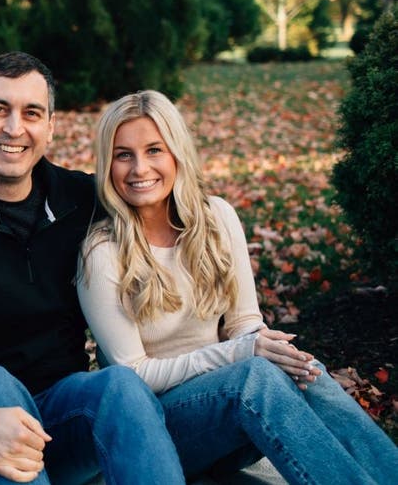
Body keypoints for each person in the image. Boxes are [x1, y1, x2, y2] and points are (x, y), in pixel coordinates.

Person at [0, 52, 185, 485]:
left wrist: (240, 332)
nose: (14, 128)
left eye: (31, 113)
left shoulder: (84, 200)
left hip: (61, 419)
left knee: (119, 385)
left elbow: (167, 217)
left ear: (50, 127)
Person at [77, 89, 398, 484]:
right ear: (108, 164)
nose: (139, 168)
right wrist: (239, 353)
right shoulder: (101, 250)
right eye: (124, 155)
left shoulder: (216, 217)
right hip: (158, 430)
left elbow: (245, 321)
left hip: (231, 410)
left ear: (177, 152)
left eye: (154, 150)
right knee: (255, 378)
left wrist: (267, 347)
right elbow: (133, 374)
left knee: (303, 369)